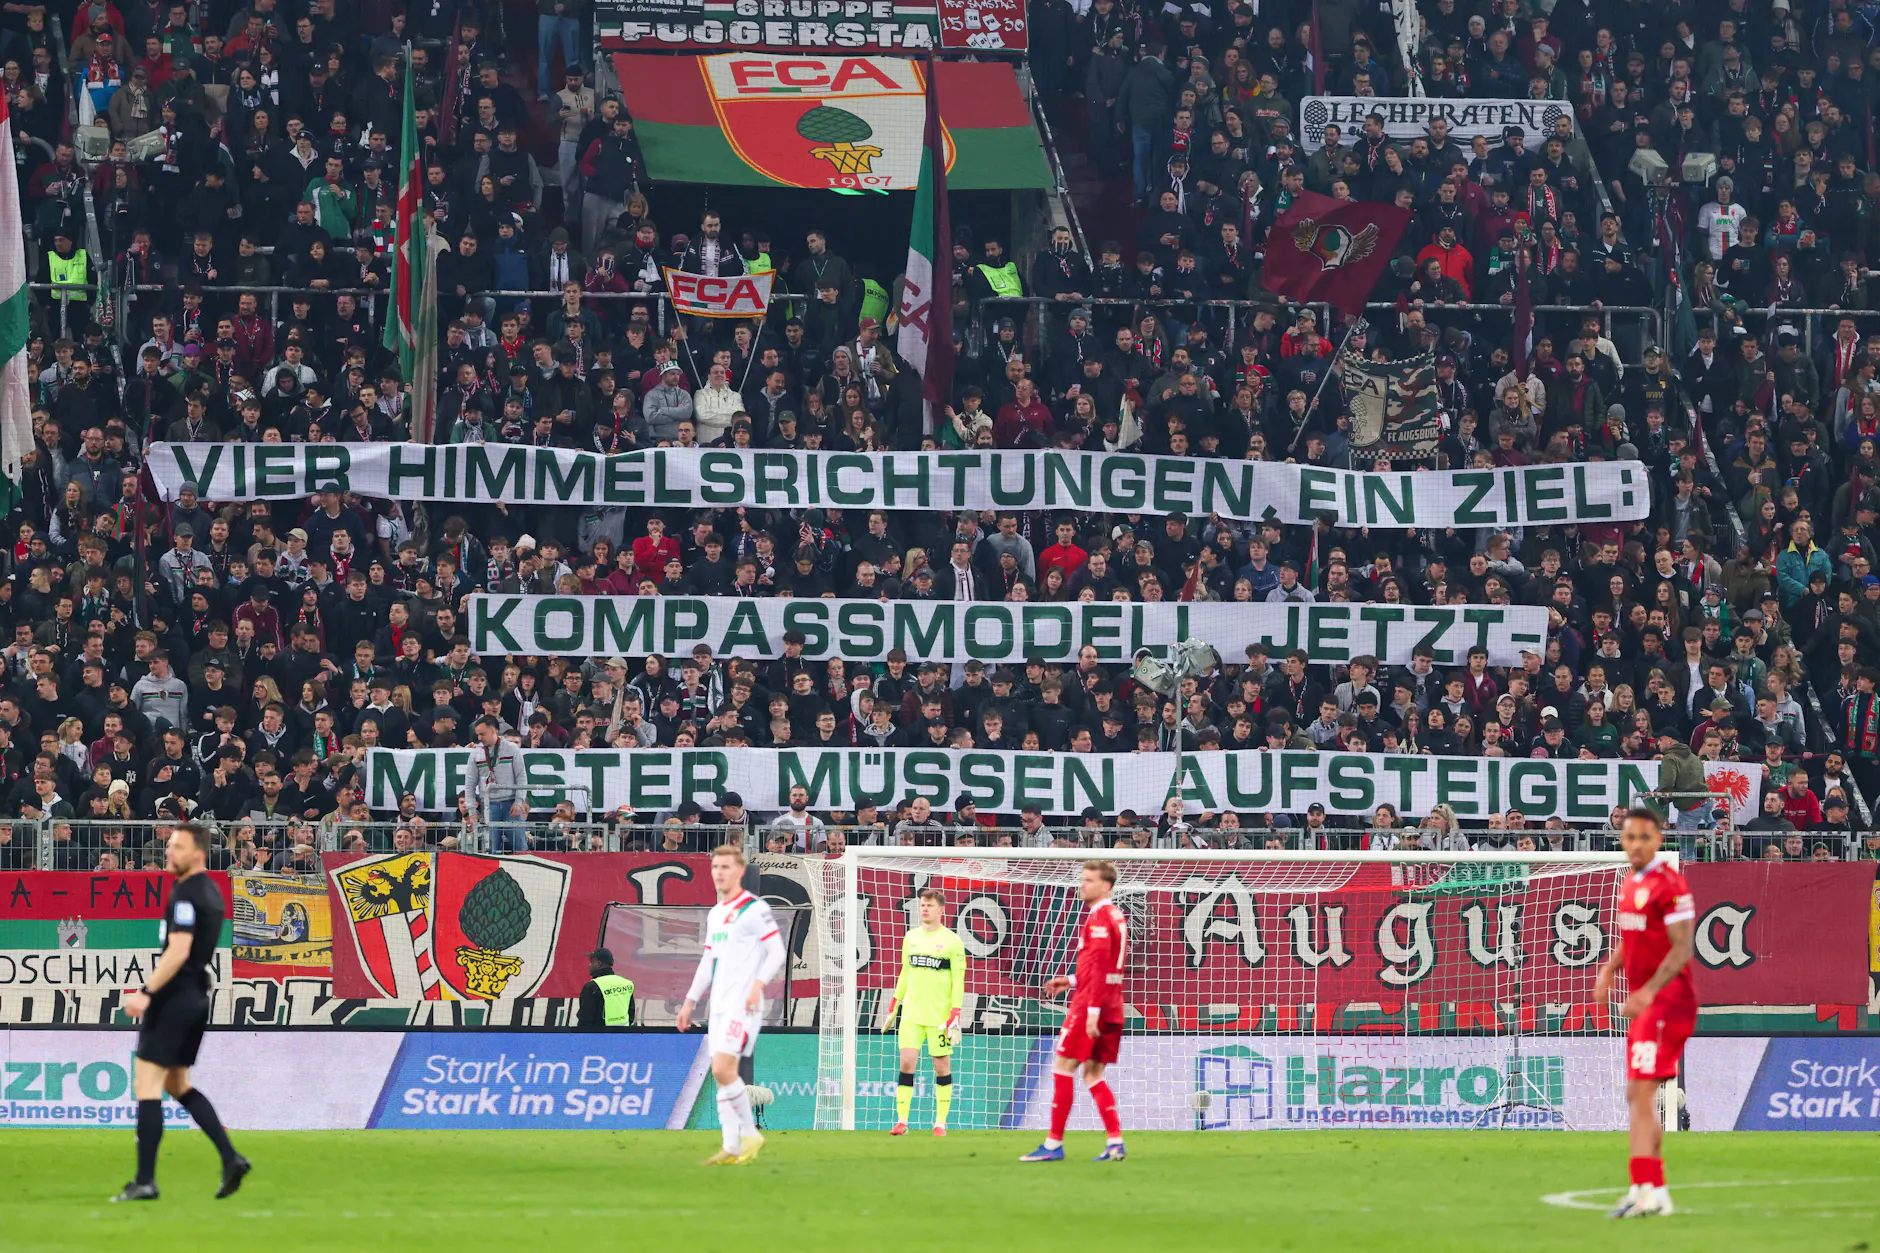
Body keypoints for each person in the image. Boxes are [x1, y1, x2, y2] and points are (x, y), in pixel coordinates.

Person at [114, 822, 250, 1202]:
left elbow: (178, 951)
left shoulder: (187, 894)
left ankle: (145, 1181)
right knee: (177, 1084)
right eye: (169, 846)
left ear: (199, 854)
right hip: (196, 998)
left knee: (147, 1085)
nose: (169, 852)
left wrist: (146, 992)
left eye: (177, 847)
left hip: (174, 998)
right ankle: (231, 1158)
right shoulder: (210, 892)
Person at [1593, 808, 1697, 1219]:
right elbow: (1633, 940)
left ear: (1658, 840)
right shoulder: (1630, 882)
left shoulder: (1670, 885)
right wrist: (1608, 970)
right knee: (1638, 1096)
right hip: (1645, 1003)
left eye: (1644, 837)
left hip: (1668, 1002)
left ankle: (1646, 1190)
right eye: (1629, 836)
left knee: (1640, 1095)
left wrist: (1648, 992)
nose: (1635, 844)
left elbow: (1681, 948)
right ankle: (1650, 1190)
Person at [677, 845, 785, 1166]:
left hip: (744, 1004)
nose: (719, 872)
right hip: (720, 1005)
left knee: (722, 1069)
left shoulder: (755, 908)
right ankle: (731, 1144)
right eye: (715, 867)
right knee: (724, 1075)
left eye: (725, 867)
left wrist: (757, 985)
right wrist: (690, 1001)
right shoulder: (715, 913)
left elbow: (777, 952)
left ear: (740, 872)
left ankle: (750, 1133)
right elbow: (708, 958)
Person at [1021, 858, 1127, 1163]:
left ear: (1106, 885)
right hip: (1112, 1003)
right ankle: (1115, 1142)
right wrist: (1069, 980)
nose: (1083, 884)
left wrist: (1091, 1008)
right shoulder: (1116, 916)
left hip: (1092, 1004)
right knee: (1093, 1075)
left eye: (1089, 880)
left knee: (1062, 1068)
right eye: (1082, 879)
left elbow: (1101, 966)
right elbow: (1103, 968)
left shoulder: (1099, 918)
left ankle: (1053, 1145)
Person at [884, 886, 967, 1137]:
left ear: (941, 910)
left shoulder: (953, 941)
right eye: (922, 905)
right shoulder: (911, 937)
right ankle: (902, 1121)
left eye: (929, 905)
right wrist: (895, 1001)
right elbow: (905, 972)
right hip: (911, 1015)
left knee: (941, 1068)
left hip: (939, 1018)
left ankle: (940, 1123)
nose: (924, 909)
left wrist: (955, 1012)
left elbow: (959, 979)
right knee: (906, 1064)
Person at [467, 715, 528, 852]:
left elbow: (521, 776)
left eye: (482, 734)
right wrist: (472, 810)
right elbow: (469, 784)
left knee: (521, 847)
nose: (479, 738)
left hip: (511, 805)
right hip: (488, 806)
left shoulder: (512, 749)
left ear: (494, 730)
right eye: (478, 735)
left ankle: (525, 872)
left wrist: (519, 801)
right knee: (490, 849)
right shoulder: (476, 753)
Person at [576, 946, 635, 1027]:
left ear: (598, 964)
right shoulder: (626, 983)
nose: (589, 965)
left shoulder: (592, 987)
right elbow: (631, 1014)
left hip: (599, 1037)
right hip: (622, 1036)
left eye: (591, 962)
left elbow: (585, 1020)